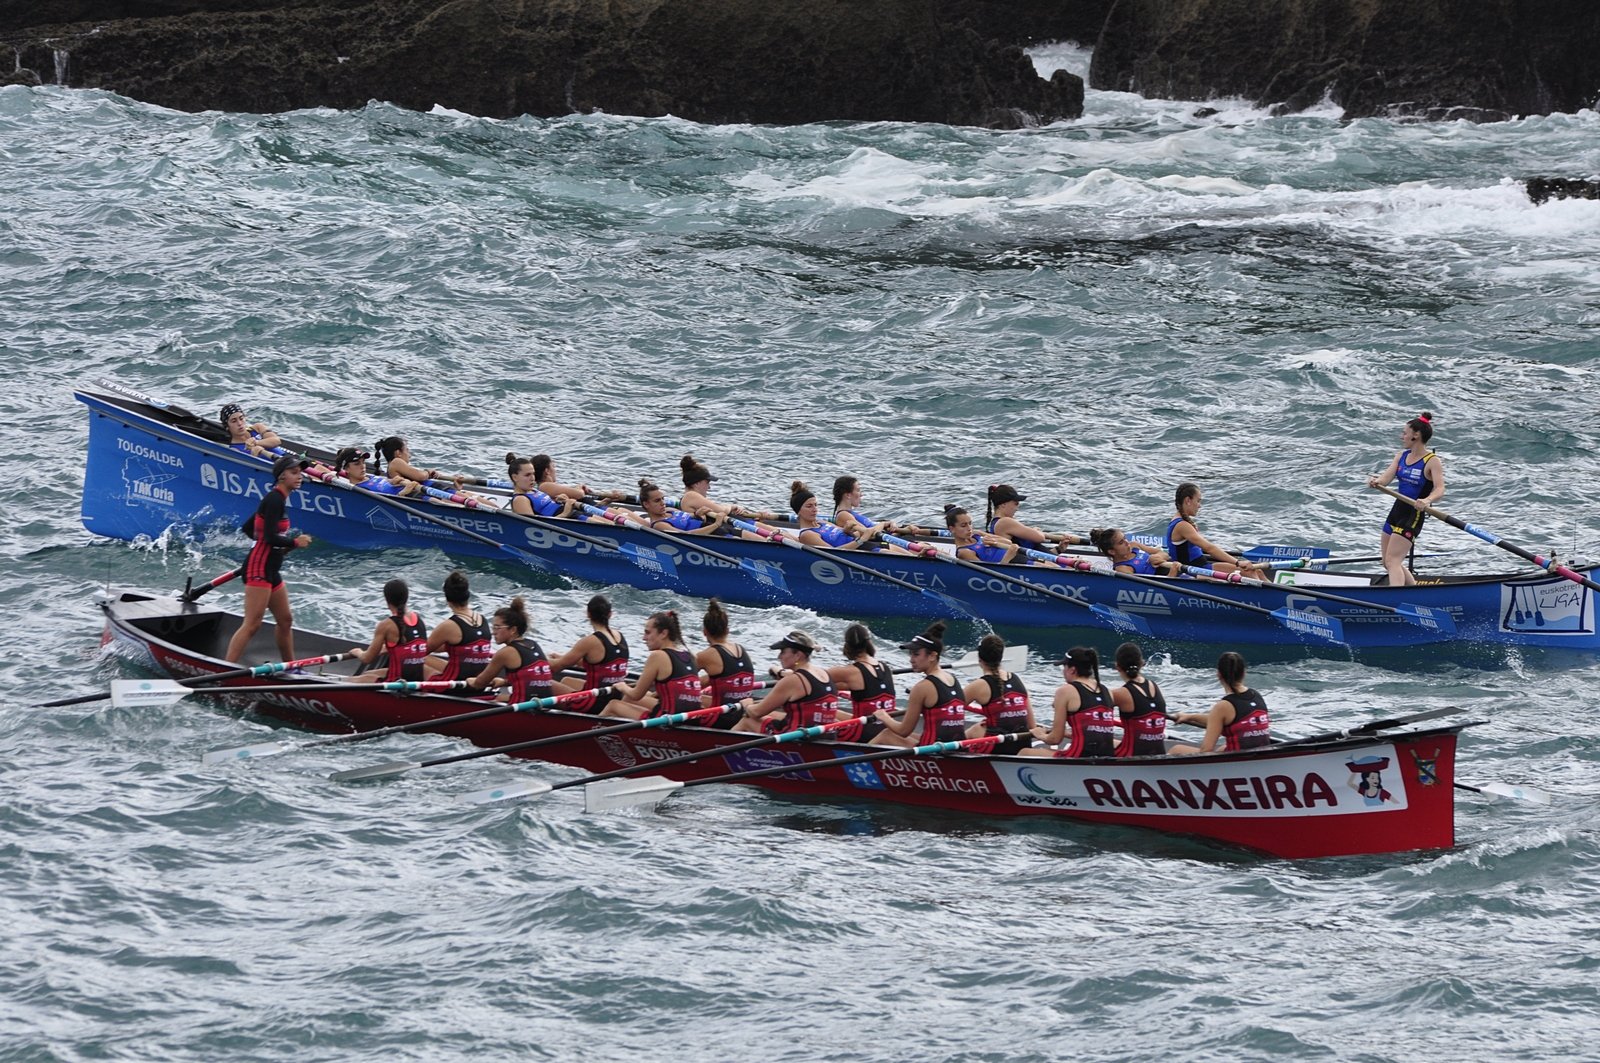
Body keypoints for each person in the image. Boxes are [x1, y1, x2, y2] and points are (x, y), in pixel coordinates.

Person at [223, 454, 313, 662]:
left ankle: (290, 667)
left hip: (270, 569)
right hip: (259, 569)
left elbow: (250, 528)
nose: (299, 477)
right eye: (294, 473)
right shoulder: (274, 500)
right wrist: (294, 542)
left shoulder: (277, 499)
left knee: (285, 620)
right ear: (282, 476)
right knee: (252, 623)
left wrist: (271, 548)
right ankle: (224, 669)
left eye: (300, 472)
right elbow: (271, 536)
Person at [1366, 412, 1446, 588]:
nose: (1402, 436)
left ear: (1416, 435)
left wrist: (1427, 500)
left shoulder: (1432, 461)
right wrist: (1376, 481)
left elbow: (1440, 489)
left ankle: (1396, 598)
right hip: (1397, 511)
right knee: (1387, 562)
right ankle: (1415, 593)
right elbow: (1386, 479)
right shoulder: (1401, 456)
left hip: (1414, 513)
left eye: (1405, 433)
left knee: (1393, 560)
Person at [870, 622, 969, 747]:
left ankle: (849, 761)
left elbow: (903, 731)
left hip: (933, 752)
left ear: (932, 656)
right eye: (910, 654)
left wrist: (883, 716)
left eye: (916, 654)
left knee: (886, 734)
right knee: (917, 735)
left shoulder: (922, 687)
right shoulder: (953, 679)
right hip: (956, 748)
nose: (911, 659)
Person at [734, 630, 849, 734]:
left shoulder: (793, 680)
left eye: (783, 651)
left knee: (747, 720)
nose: (779, 656)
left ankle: (720, 752)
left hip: (797, 737)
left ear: (797, 655)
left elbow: (756, 712)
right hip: (825, 734)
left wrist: (747, 704)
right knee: (773, 714)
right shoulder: (822, 673)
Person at [603, 610, 703, 719]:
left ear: (664, 634)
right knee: (628, 699)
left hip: (668, 720)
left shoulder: (658, 656)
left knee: (613, 705)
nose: (644, 638)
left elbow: (636, 694)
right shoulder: (690, 655)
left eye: (648, 632)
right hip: (691, 718)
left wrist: (622, 686)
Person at [1020, 646, 1117, 758]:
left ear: (1072, 670)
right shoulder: (1107, 691)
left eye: (1064, 666)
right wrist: (1065, 732)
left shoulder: (1065, 691)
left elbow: (1055, 739)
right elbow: (1093, 731)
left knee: (1024, 752)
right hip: (1107, 755)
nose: (1063, 671)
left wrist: (1039, 734)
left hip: (1078, 757)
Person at [1170, 651, 1271, 754]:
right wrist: (1190, 717)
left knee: (1176, 749)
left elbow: (1206, 751)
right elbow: (1220, 720)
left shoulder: (1223, 706)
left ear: (1219, 674)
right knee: (1222, 748)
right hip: (1259, 753)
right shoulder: (1257, 696)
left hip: (1238, 761)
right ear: (1244, 673)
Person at [1163, 483, 1270, 579]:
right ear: (1188, 501)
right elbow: (1210, 548)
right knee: (1249, 573)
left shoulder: (1181, 521)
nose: (1199, 505)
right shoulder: (1182, 525)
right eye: (1198, 501)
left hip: (1202, 566)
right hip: (1194, 571)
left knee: (1257, 571)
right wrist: (1238, 562)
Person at [463, 597, 555, 703]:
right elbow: (528, 677)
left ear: (513, 630)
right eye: (493, 627)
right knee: (500, 697)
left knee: (473, 699)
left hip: (524, 706)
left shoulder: (505, 653)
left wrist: (470, 681)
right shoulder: (534, 644)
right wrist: (504, 682)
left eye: (497, 627)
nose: (493, 632)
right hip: (542, 703)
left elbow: (480, 684)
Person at [963, 634, 1035, 753]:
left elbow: (951, 708)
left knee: (974, 730)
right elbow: (1032, 725)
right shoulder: (1016, 679)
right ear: (1001, 657)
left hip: (998, 746)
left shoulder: (979, 685)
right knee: (985, 726)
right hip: (1023, 743)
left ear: (979, 658)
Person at [348, 578, 430, 683]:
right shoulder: (418, 619)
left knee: (357, 678)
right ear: (406, 598)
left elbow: (367, 659)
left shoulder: (386, 625)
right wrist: (387, 648)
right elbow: (406, 647)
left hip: (396, 683)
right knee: (368, 674)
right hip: (417, 679)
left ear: (387, 601)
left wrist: (357, 652)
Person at [826, 622, 897, 743]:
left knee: (824, 714)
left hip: (859, 734)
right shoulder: (885, 668)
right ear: (868, 643)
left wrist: (783, 672)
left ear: (847, 645)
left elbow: (813, 677)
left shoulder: (851, 671)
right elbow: (863, 687)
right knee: (836, 713)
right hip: (884, 726)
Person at [547, 594, 630, 696]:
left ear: (588, 614)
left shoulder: (590, 641)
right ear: (610, 614)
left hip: (594, 701)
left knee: (547, 683)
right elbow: (601, 664)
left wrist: (536, 659)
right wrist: (562, 657)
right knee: (566, 680)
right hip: (615, 695)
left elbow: (556, 667)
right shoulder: (620, 636)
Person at [424, 570, 495, 682]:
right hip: (477, 683)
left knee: (414, 660)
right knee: (427, 659)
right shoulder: (482, 619)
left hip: (454, 685)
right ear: (467, 596)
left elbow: (421, 651)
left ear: (447, 599)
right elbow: (463, 645)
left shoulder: (449, 626)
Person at [696, 598, 758, 710]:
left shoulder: (706, 655)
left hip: (722, 717)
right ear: (727, 630)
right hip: (744, 709)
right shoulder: (741, 649)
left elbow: (682, 677)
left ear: (704, 632)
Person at [679, 454, 779, 522]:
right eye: (707, 482)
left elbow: (718, 508)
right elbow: (720, 510)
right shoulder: (691, 495)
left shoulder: (690, 497)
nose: (709, 487)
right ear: (697, 483)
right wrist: (732, 507)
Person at [1109, 642, 1167, 757]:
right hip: (1159, 753)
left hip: (1130, 756)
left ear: (1117, 667)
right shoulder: (1154, 685)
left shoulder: (1120, 694)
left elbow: (1091, 704)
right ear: (1142, 663)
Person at [985, 483, 1079, 552]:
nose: (1017, 508)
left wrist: (1059, 549)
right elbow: (1040, 538)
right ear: (1003, 504)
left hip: (1041, 562)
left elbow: (1034, 551)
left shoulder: (1000, 523)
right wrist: (1036, 532)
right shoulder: (1004, 522)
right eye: (1016, 504)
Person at [790, 481, 876, 550]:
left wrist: (847, 530)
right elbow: (834, 553)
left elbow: (844, 534)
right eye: (809, 506)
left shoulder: (822, 523)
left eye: (815, 505)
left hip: (865, 546)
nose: (814, 509)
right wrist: (861, 540)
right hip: (858, 552)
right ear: (799, 511)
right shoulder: (807, 535)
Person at [831, 475, 925, 538]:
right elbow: (868, 534)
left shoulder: (851, 513)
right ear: (848, 495)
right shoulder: (843, 515)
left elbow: (876, 530)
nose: (861, 494)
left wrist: (903, 529)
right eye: (858, 490)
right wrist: (883, 524)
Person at [373, 436, 467, 490]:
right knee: (470, 497)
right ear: (398, 453)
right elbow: (420, 476)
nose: (410, 455)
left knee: (466, 494)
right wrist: (428, 472)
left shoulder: (395, 465)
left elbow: (419, 477)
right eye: (407, 450)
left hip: (428, 491)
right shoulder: (396, 462)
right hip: (424, 493)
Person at [637, 478, 727, 534]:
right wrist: (716, 524)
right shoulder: (659, 525)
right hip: (712, 534)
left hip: (715, 528)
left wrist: (697, 514)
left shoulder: (669, 510)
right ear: (646, 504)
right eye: (657, 501)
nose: (662, 503)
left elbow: (690, 516)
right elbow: (688, 535)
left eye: (662, 499)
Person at [532, 454, 627, 504]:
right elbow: (579, 494)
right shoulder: (545, 486)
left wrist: (605, 501)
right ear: (547, 471)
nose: (555, 470)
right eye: (553, 467)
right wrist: (580, 487)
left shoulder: (549, 486)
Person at [506, 454, 578, 519]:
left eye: (533, 474)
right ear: (515, 477)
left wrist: (558, 500)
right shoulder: (520, 499)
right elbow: (533, 527)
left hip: (573, 514)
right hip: (569, 520)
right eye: (527, 475)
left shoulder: (533, 491)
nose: (532, 478)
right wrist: (565, 514)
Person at [335, 446, 424, 496]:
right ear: (346, 469)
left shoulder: (369, 476)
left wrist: (395, 481)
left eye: (363, 462)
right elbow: (383, 504)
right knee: (433, 500)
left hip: (413, 490)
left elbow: (388, 482)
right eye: (357, 464)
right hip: (407, 499)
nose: (363, 466)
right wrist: (403, 493)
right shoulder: (359, 490)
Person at [1090, 527, 1181, 576]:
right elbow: (1148, 590)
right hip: (1171, 579)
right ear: (1112, 551)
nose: (1127, 542)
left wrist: (1158, 557)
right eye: (1121, 542)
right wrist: (1171, 575)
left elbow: (1165, 554)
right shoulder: (1122, 569)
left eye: (1125, 538)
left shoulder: (1134, 545)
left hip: (1178, 568)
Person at [944, 504, 1019, 563]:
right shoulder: (964, 552)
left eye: (970, 523)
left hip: (1018, 556)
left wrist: (984, 535)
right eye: (963, 525)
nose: (969, 528)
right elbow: (989, 575)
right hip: (1012, 564)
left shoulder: (977, 535)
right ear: (952, 529)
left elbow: (1008, 542)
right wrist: (1008, 556)